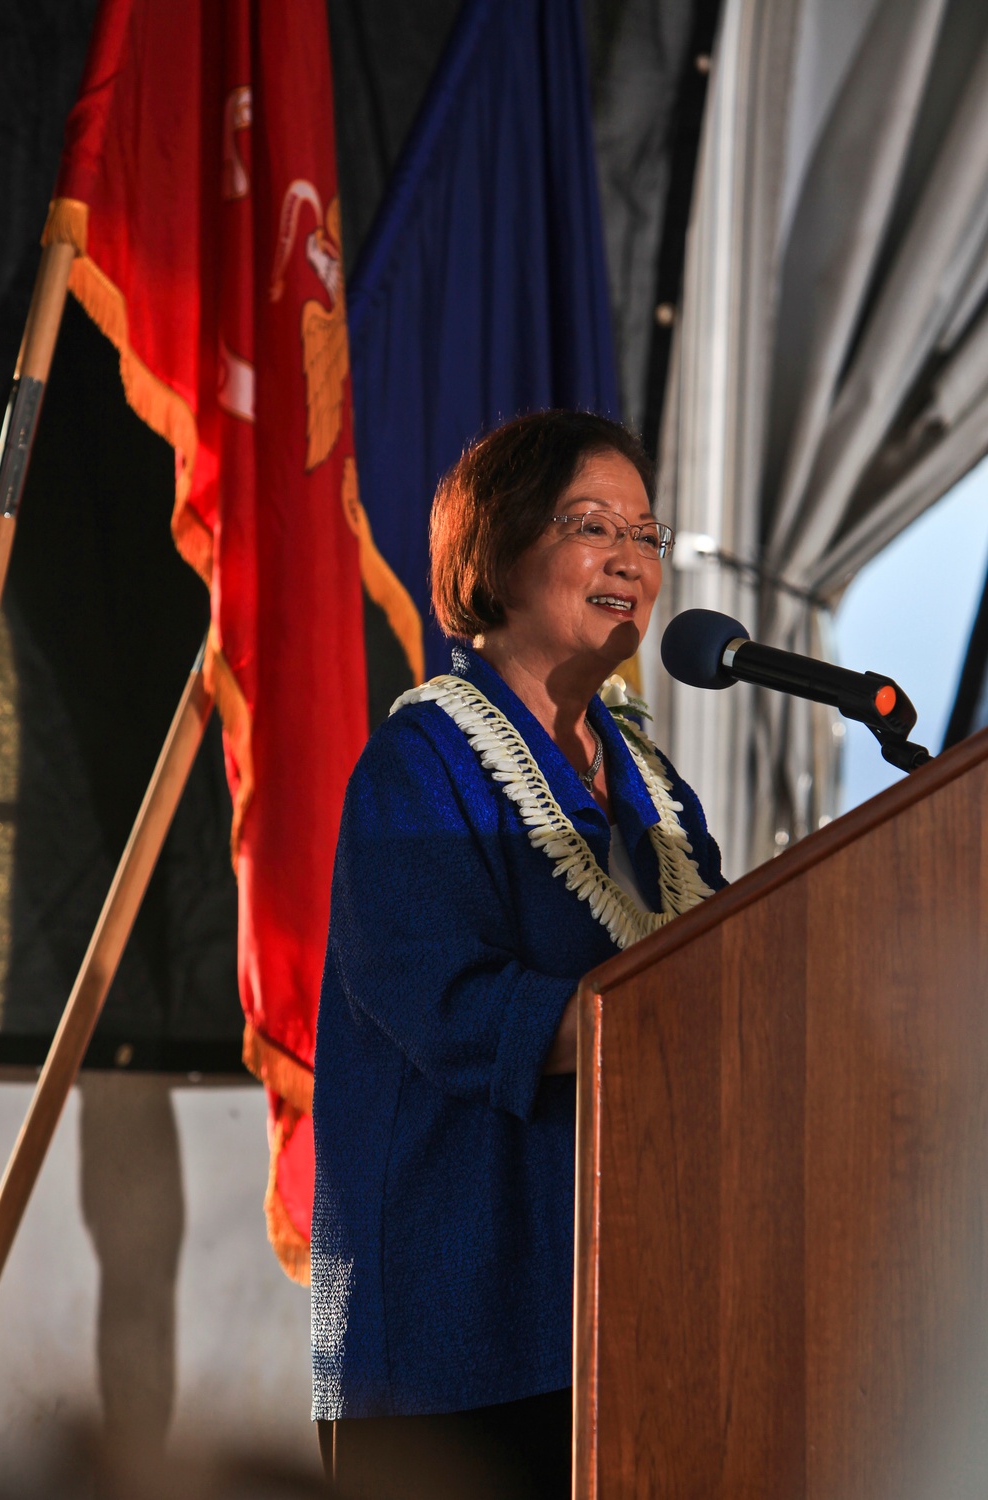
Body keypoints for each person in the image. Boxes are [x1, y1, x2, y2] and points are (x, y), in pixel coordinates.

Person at [311, 411, 725, 1498]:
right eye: (592, 526)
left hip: (631, 1314)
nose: (630, 559)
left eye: (645, 533)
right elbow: (448, 1002)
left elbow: (736, 967)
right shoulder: (418, 762)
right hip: (457, 1335)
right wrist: (662, 1015)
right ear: (493, 552)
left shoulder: (656, 792)